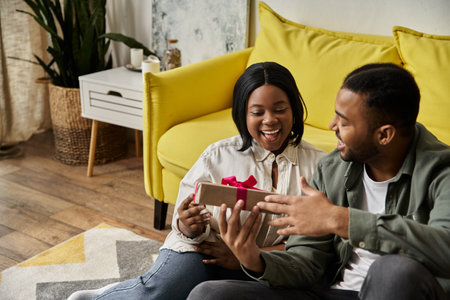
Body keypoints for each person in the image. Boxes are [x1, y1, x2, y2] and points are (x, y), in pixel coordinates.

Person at [187, 63, 450, 300]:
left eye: (344, 122)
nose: (331, 125)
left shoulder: (442, 171)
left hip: (400, 290)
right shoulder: (332, 167)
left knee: (393, 271)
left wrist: (341, 220)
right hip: (335, 293)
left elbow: (445, 248)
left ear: (384, 135)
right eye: (336, 114)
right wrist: (256, 260)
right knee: (209, 295)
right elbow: (306, 263)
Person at [68, 61, 325, 300]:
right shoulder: (217, 156)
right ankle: (112, 295)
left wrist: (248, 258)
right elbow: (183, 225)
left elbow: (315, 249)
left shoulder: (320, 167)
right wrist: (188, 225)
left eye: (280, 109)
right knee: (162, 292)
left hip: (272, 267)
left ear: (294, 109)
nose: (269, 119)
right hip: (206, 252)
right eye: (257, 112)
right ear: (242, 115)